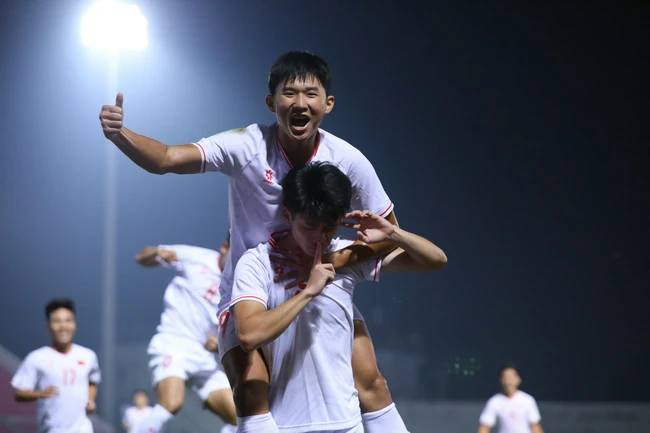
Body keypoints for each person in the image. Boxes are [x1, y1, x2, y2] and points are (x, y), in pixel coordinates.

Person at [100, 50, 405, 433]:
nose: (299, 103)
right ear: (270, 102)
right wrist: (119, 134)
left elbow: (388, 234)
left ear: (327, 103)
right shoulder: (245, 145)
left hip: (318, 283)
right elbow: (165, 158)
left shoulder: (348, 159)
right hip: (252, 289)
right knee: (250, 391)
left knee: (371, 383)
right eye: (289, 93)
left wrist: (337, 265)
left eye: (310, 94)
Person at [230, 162, 447, 432]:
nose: (319, 238)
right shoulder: (257, 263)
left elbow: (435, 260)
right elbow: (249, 335)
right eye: (310, 226)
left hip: (348, 423)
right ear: (288, 215)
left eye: (329, 227)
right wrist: (309, 291)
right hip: (288, 425)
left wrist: (393, 233)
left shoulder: (345, 257)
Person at [134, 240, 237, 433]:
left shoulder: (240, 285)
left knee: (239, 418)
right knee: (171, 404)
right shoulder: (197, 257)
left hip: (203, 357)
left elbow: (235, 333)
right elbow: (141, 258)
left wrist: (219, 345)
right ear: (224, 247)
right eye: (235, 251)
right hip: (173, 343)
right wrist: (157, 252)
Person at [11, 298, 101, 433]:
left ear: (75, 324)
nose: (63, 326)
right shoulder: (37, 358)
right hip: (51, 429)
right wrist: (40, 393)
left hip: (83, 429)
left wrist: (91, 400)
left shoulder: (88, 356)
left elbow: (92, 381)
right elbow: (19, 393)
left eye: (67, 320)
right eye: (57, 321)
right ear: (48, 327)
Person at [478, 365, 545, 433]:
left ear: (518, 379)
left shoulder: (528, 400)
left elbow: (535, 425)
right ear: (501, 380)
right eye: (505, 377)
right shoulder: (494, 402)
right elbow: (485, 426)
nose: (508, 381)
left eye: (511, 377)